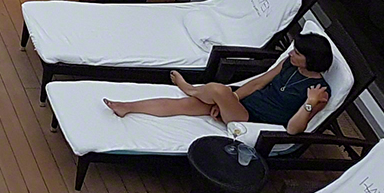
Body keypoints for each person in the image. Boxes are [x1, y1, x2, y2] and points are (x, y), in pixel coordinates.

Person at [103, 33, 335, 133]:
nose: (291, 53)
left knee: (216, 89)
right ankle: (127, 107)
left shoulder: (320, 92)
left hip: (253, 121)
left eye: (297, 53)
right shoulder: (288, 64)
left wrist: (309, 103)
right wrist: (230, 100)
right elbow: (257, 83)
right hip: (241, 106)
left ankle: (191, 88)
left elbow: (293, 129)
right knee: (184, 105)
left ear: (311, 59)